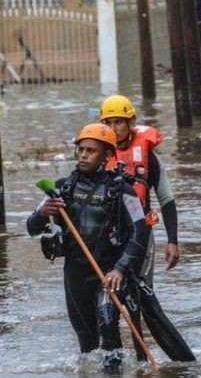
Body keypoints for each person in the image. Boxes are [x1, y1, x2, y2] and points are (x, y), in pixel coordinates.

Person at [27, 124, 147, 368]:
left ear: (106, 156)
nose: (83, 155)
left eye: (91, 151)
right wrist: (42, 213)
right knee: (87, 342)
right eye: (81, 149)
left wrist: (121, 269)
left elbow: (140, 230)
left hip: (108, 273)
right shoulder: (60, 189)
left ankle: (115, 372)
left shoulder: (122, 190)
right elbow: (31, 227)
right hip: (75, 274)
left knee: (108, 327)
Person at [99, 95, 179, 283]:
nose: (113, 129)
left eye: (118, 122)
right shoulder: (97, 157)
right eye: (108, 123)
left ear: (131, 123)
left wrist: (172, 241)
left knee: (142, 287)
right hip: (106, 234)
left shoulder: (149, 158)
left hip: (140, 232)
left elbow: (166, 200)